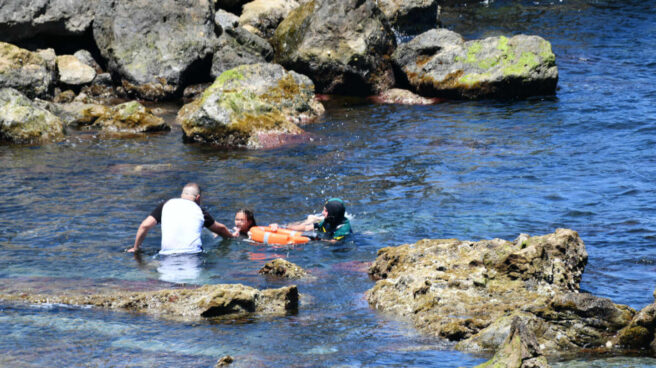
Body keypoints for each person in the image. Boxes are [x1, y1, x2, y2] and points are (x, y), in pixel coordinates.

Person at [127, 183, 234, 254]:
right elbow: (221, 229)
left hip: (167, 255)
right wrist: (232, 236)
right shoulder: (199, 210)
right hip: (193, 254)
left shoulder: (166, 205)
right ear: (198, 198)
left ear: (182, 195)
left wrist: (136, 248)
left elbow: (144, 226)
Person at [271, 198, 352, 242]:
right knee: (309, 221)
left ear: (333, 213)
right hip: (328, 233)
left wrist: (317, 239)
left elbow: (334, 242)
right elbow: (306, 228)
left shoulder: (343, 228)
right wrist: (282, 227)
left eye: (326, 211)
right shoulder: (327, 220)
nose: (322, 212)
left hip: (342, 248)